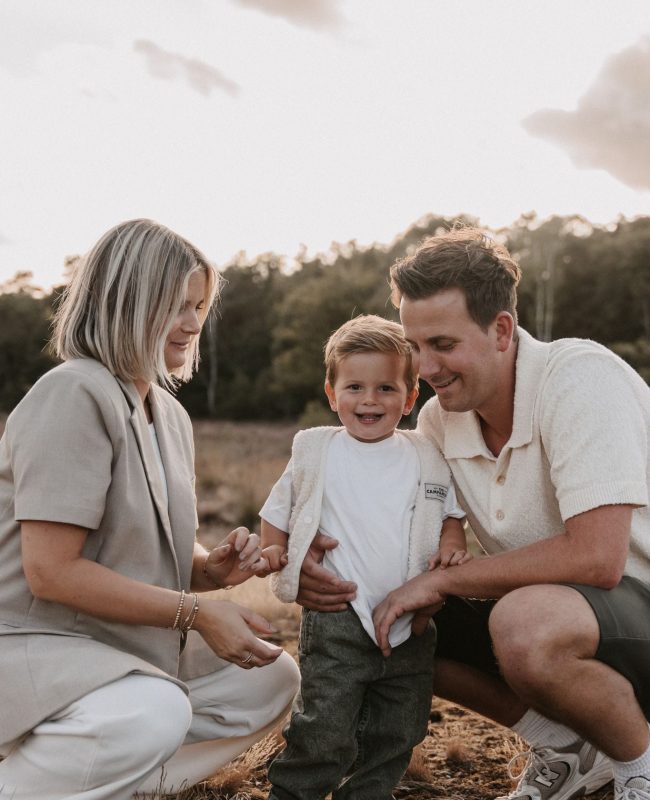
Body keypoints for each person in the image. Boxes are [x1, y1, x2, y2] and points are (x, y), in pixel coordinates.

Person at [298, 227, 650, 800]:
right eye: (414, 346)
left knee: (523, 622)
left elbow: (597, 558)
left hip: (635, 607)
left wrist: (442, 581)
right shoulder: (439, 420)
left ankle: (642, 765)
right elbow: (398, 525)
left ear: (502, 330)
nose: (425, 366)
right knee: (390, 615)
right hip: (575, 624)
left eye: (443, 344)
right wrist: (312, 544)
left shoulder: (581, 378)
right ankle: (569, 749)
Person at [0, 219, 300, 799]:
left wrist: (208, 570)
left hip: (113, 644)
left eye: (199, 306)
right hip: (26, 644)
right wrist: (198, 613)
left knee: (268, 681)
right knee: (153, 712)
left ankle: (107, 785)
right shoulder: (71, 393)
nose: (193, 323)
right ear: (126, 302)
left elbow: (143, 543)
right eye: (177, 305)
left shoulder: (170, 414)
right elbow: (51, 572)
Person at [259, 315, 468, 799]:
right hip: (339, 617)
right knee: (324, 727)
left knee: (399, 727)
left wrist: (451, 548)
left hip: (410, 623)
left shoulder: (424, 455)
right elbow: (277, 514)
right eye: (354, 387)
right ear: (332, 394)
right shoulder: (317, 452)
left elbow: (450, 517)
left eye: (386, 388)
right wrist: (276, 554)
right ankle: (295, 792)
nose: (369, 400)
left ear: (410, 397)